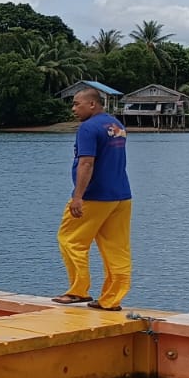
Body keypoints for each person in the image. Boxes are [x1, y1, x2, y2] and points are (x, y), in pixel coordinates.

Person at [54, 85, 131, 310]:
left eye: (77, 104)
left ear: (92, 104)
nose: (73, 109)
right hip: (121, 196)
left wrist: (78, 197)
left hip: (95, 196)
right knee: (117, 248)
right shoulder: (116, 125)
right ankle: (112, 300)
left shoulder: (88, 128)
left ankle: (78, 291)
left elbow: (87, 163)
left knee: (70, 240)